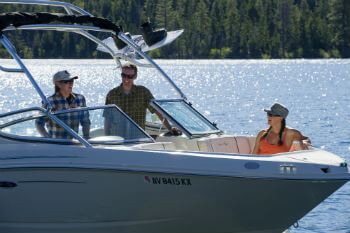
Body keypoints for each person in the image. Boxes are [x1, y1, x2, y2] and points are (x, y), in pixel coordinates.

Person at [104, 62, 181, 136]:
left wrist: (169, 128)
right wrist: (106, 138)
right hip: (117, 138)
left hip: (137, 138)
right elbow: (107, 118)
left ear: (135, 76)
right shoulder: (112, 94)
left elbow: (158, 111)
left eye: (129, 76)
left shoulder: (143, 92)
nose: (126, 78)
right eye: (124, 75)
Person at [35, 70, 91, 139]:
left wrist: (86, 137)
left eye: (72, 81)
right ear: (58, 84)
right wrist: (49, 139)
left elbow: (85, 122)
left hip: (75, 144)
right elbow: (39, 124)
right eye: (67, 82)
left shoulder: (80, 99)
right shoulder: (49, 102)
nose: (71, 84)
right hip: (57, 145)